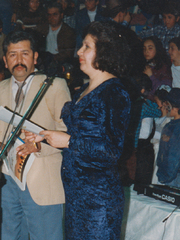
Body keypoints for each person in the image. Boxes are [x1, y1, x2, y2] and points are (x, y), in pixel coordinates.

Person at [24, 21, 131, 239]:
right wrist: (43, 137)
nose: (79, 52)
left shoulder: (114, 93)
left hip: (98, 201)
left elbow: (111, 151)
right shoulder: (85, 88)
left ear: (105, 51)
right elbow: (81, 136)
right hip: (76, 195)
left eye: (87, 47)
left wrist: (68, 141)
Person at [0, 30, 71, 240]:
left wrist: (40, 145)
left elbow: (67, 132)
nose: (19, 60)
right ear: (5, 60)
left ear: (35, 56)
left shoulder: (54, 86)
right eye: (12, 55)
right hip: (7, 181)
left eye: (25, 53)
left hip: (42, 181)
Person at [36, 2, 76, 67]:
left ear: (61, 15)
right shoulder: (41, 29)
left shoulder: (68, 32)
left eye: (55, 14)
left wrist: (51, 59)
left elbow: (68, 54)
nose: (51, 17)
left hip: (60, 63)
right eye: (49, 15)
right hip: (43, 62)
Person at [157, 88, 180, 188]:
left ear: (176, 109)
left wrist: (166, 177)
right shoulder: (169, 126)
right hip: (168, 175)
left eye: (168, 104)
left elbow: (174, 157)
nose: (164, 106)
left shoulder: (176, 128)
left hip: (173, 178)